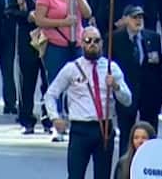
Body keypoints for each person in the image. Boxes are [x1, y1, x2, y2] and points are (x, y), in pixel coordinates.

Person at [44, 25, 133, 179]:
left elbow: (127, 100)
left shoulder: (112, 68)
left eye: (96, 40)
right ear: (82, 43)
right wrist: (55, 117)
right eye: (88, 40)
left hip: (104, 128)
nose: (92, 44)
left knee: (103, 176)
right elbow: (51, 94)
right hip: (80, 129)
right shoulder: (71, 68)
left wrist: (116, 86)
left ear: (102, 43)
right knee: (75, 175)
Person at [111, 4, 162, 157]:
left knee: (150, 130)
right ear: (125, 19)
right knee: (126, 132)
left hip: (149, 92)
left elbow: (159, 67)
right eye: (134, 17)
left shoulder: (153, 38)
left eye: (140, 17)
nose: (138, 20)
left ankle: (150, 161)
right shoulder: (115, 39)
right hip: (127, 92)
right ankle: (126, 164)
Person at [33, 0, 92, 98]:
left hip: (77, 44)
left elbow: (87, 14)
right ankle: (55, 115)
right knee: (56, 83)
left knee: (80, 82)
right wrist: (62, 22)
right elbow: (39, 20)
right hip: (56, 46)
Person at [8, 0, 50, 134]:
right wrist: (27, 15)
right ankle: (26, 119)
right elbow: (9, 10)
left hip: (49, 38)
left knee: (48, 80)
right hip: (27, 39)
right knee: (27, 80)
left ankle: (49, 117)